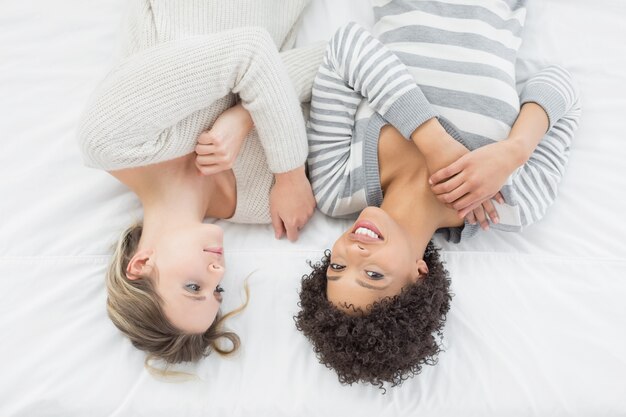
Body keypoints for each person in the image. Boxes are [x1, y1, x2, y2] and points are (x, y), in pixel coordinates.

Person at [292, 15, 581, 389]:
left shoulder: (334, 187)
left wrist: (433, 140)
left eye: (337, 265)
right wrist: (513, 151)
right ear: (418, 275)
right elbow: (560, 85)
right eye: (373, 275)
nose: (354, 251)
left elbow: (346, 48)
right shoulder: (511, 203)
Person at [77, 0, 326, 365]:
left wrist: (289, 172)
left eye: (194, 288)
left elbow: (250, 51)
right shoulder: (264, 203)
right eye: (217, 290)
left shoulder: (110, 140)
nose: (218, 272)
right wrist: (243, 116)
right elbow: (332, 60)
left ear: (141, 264)